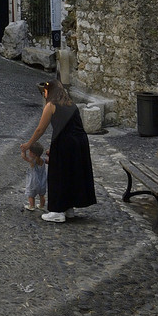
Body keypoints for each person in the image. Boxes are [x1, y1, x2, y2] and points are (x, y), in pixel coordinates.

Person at [24, 80, 97, 223]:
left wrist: (28, 144)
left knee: (58, 173)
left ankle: (57, 211)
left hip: (64, 142)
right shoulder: (71, 104)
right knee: (71, 174)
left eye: (45, 91)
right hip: (80, 143)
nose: (44, 94)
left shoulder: (51, 105)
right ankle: (69, 208)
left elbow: (40, 129)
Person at [20, 137, 48, 212]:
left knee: (31, 195)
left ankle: (31, 206)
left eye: (29, 151)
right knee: (42, 195)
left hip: (33, 181)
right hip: (42, 181)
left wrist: (23, 150)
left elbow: (23, 157)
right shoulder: (43, 160)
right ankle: (41, 206)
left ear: (33, 154)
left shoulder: (32, 161)